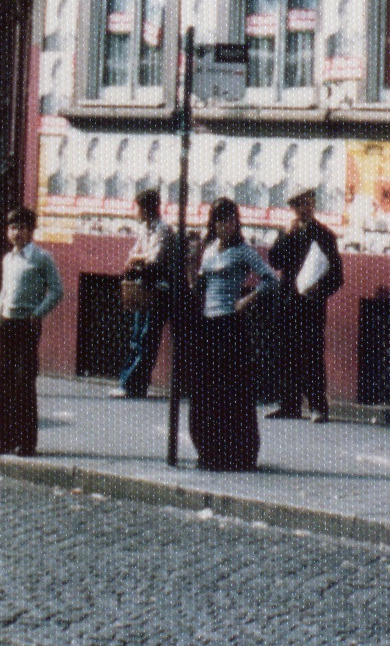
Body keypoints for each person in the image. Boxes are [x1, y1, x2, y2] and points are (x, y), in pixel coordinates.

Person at [188, 197, 276, 471]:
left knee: (232, 391)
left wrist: (246, 300)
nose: (225, 226)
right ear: (212, 224)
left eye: (229, 220)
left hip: (231, 327)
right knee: (207, 393)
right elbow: (199, 286)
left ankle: (239, 453)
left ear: (236, 222)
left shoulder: (244, 251)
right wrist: (192, 264)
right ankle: (210, 452)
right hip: (209, 325)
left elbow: (271, 279)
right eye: (219, 220)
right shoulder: (210, 249)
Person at [0, 206, 64, 459]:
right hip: (8, 325)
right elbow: (4, 293)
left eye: (22, 228)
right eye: (12, 228)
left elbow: (56, 290)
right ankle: (4, 439)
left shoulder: (41, 258)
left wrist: (38, 312)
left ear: (31, 231)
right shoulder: (7, 259)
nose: (16, 233)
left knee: (23, 382)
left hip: (27, 326)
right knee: (4, 383)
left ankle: (26, 442)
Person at [266, 181, 343, 422]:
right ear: (292, 208)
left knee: (312, 355)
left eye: (307, 202)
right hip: (288, 301)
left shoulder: (325, 235)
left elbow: (337, 276)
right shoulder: (287, 232)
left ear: (314, 203)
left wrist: (320, 287)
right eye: (298, 204)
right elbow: (275, 261)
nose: (303, 208)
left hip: (311, 304)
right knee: (287, 353)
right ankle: (289, 404)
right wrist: (286, 236)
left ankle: (318, 406)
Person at [111, 188, 176, 399]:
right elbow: (134, 254)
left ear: (147, 208)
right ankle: (133, 383)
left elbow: (154, 259)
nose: (136, 212)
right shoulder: (146, 229)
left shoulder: (162, 230)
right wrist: (139, 257)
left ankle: (132, 384)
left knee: (147, 337)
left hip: (159, 290)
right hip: (144, 289)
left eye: (138, 208)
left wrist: (138, 258)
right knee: (137, 336)